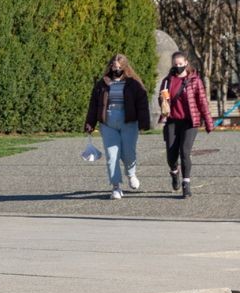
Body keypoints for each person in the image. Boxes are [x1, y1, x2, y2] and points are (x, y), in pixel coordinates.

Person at [84, 54, 151, 200]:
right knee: (111, 156)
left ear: (125, 67)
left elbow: (142, 103)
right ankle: (116, 187)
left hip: (128, 121)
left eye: (120, 67)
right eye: (114, 67)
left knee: (128, 153)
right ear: (110, 67)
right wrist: (90, 123)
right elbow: (93, 104)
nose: (117, 69)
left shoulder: (133, 83)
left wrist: (144, 122)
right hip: (108, 122)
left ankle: (131, 173)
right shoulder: (102, 84)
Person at [158, 52, 214, 198]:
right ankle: (174, 172)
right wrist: (162, 100)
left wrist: (208, 122)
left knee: (184, 152)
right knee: (171, 156)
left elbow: (202, 102)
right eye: (175, 64)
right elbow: (162, 102)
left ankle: (186, 184)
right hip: (172, 121)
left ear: (186, 63)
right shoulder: (167, 81)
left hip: (190, 122)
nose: (178, 67)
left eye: (180, 64)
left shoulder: (195, 80)